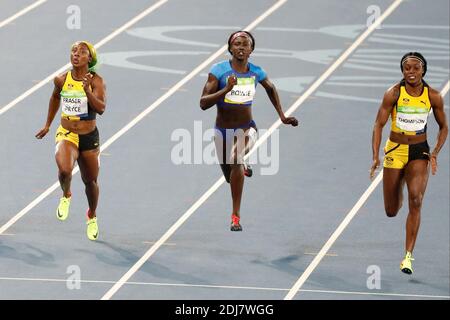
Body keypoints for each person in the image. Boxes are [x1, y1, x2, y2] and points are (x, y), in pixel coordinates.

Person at [200, 31, 298, 231]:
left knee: (235, 158)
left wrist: (282, 116)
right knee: (230, 178)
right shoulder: (218, 71)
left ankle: (235, 216)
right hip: (222, 132)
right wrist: (225, 90)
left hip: (247, 129)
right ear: (230, 48)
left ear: (252, 50)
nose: (241, 47)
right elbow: (203, 103)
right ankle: (241, 167)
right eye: (237, 44)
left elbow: (271, 88)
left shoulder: (256, 72)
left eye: (246, 44)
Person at [370, 52, 448, 274]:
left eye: (415, 68)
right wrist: (375, 156)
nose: (411, 72)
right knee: (391, 210)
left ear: (423, 70)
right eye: (407, 68)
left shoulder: (433, 96)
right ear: (402, 71)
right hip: (395, 150)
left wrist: (435, 152)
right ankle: (400, 182)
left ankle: (407, 257)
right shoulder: (393, 93)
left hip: (418, 151)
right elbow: (378, 124)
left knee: (417, 200)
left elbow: (444, 127)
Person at [36, 41, 106, 241]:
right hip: (67, 133)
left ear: (89, 59)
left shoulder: (96, 81)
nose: (76, 54)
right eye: (73, 51)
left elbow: (101, 108)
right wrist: (48, 124)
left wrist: (87, 92)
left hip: (89, 137)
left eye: (82, 52)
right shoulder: (61, 80)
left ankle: (91, 215)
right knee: (65, 170)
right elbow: (55, 98)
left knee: (90, 181)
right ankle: (66, 195)